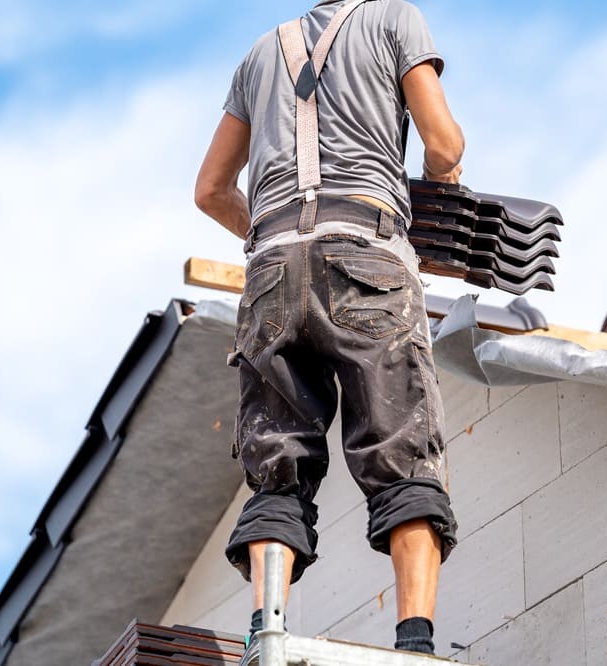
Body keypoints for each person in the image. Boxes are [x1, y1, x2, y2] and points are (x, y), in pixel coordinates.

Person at [193, 0, 464, 661]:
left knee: (278, 466)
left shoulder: (259, 54)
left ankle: (267, 625)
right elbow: (444, 142)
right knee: (404, 454)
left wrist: (275, 240)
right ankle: (414, 642)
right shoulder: (397, 19)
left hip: (270, 270)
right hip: (366, 253)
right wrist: (438, 200)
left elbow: (210, 190)